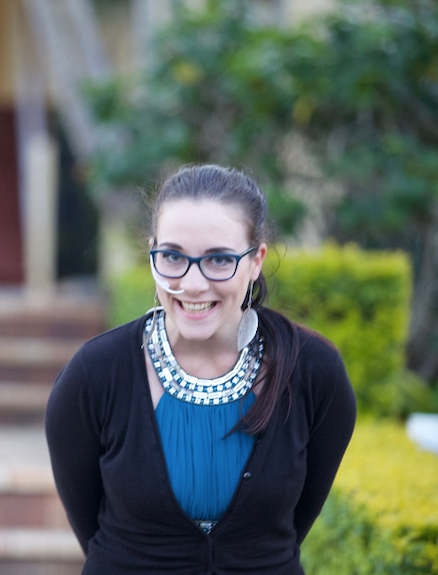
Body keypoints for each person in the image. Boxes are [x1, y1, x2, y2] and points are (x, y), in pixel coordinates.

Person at [45, 164, 357, 574]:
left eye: (219, 260)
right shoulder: (96, 374)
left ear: (256, 260)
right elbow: (87, 520)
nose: (192, 284)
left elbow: (295, 523)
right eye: (173, 257)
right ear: (153, 252)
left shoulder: (315, 373)